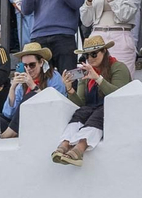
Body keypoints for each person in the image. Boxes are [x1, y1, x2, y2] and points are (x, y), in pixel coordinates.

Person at [52, 35, 132, 165]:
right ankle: (65, 144)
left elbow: (118, 96)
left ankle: (80, 148)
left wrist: (98, 79)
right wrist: (70, 89)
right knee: (80, 113)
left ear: (104, 52)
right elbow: (81, 103)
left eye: (93, 54)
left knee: (99, 113)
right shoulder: (87, 73)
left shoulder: (118, 67)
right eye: (86, 56)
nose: (90, 59)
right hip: (92, 110)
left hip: (111, 111)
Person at [0, 42, 67, 138]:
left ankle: (10, 133)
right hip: (22, 123)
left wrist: (33, 86)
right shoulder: (23, 81)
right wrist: (12, 88)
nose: (28, 69)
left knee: (31, 96)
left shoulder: (54, 77)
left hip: (45, 122)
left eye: (32, 65)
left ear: (41, 62)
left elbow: (54, 106)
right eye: (25, 66)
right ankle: (11, 131)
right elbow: (8, 114)